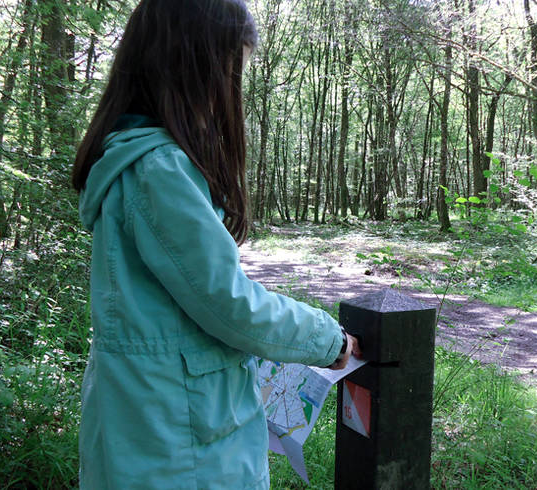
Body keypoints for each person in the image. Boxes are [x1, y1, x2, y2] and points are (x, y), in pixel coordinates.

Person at [71, 0, 360, 488]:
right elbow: (226, 302)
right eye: (230, 75)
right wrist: (326, 339)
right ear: (191, 68)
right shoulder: (160, 171)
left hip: (146, 416)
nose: (230, 95)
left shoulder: (131, 160)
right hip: (179, 437)